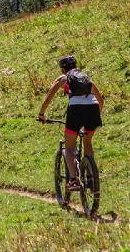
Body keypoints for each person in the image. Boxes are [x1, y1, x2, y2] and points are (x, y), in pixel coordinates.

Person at [37, 54, 103, 190]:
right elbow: (100, 100)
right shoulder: (86, 78)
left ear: (62, 69)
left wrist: (41, 114)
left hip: (76, 109)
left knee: (69, 146)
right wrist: (96, 115)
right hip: (93, 108)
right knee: (87, 141)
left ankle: (73, 179)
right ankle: (90, 175)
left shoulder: (63, 79)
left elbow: (48, 99)